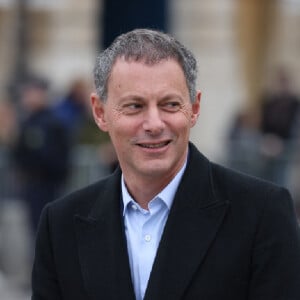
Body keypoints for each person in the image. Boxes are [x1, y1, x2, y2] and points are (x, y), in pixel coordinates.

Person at [31, 29, 300, 300]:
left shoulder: (262, 213)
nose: (154, 124)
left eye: (170, 104)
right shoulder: (60, 225)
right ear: (100, 113)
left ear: (194, 109)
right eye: (134, 106)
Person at [12, 76, 70, 234]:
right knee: (35, 230)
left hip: (48, 184)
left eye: (31, 92)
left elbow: (59, 155)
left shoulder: (52, 122)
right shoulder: (28, 121)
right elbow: (19, 151)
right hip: (32, 184)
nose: (26, 97)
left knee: (47, 228)